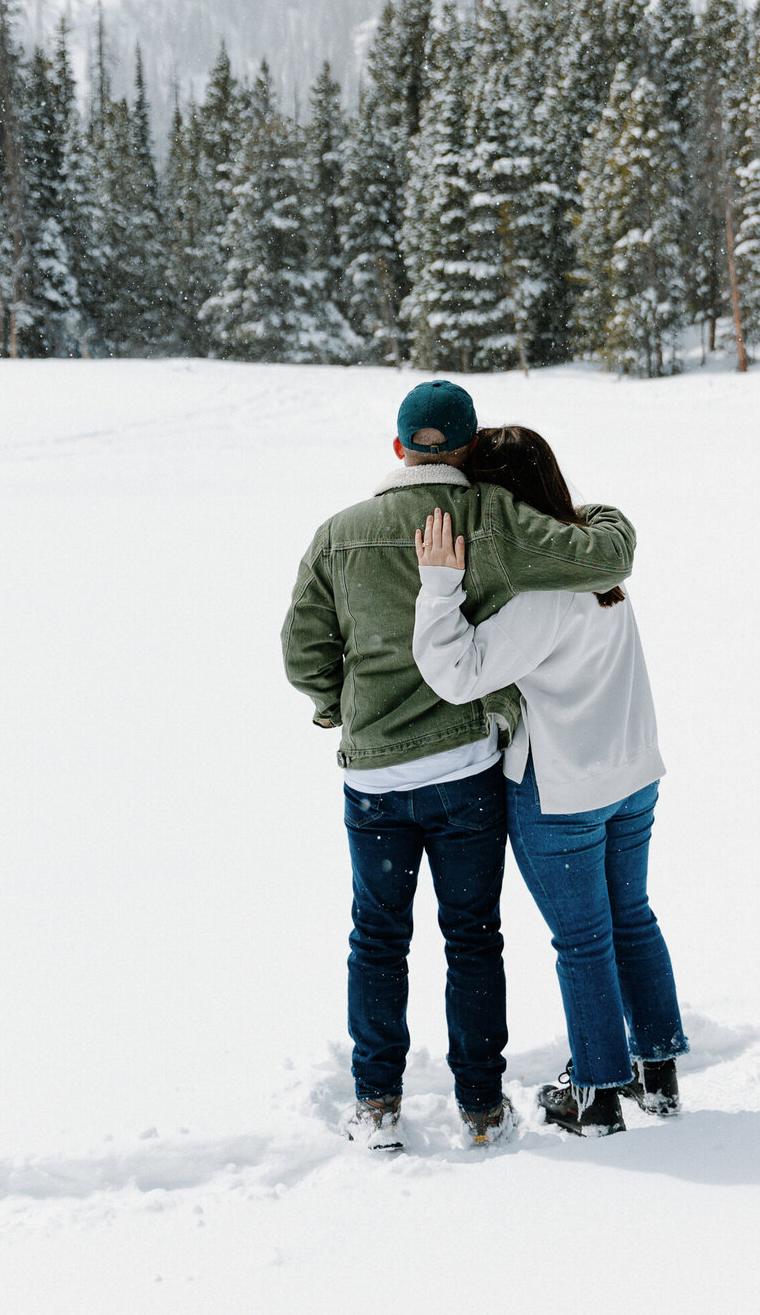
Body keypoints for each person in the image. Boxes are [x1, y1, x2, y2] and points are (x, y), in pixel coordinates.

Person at [281, 382, 636, 1150]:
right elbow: (607, 556)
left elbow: (303, 650)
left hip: (373, 780)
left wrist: (337, 709)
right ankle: (481, 1105)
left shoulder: (340, 534)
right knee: (473, 935)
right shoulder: (495, 519)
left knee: (376, 938)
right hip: (466, 770)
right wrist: (603, 515)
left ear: (400, 448)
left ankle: (377, 1107)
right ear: (471, 449)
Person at [412, 425, 686, 1136]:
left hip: (563, 792)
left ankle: (594, 1096)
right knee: (634, 919)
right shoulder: (603, 574)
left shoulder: (540, 595)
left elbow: (458, 673)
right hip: (633, 777)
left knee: (585, 942)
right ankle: (658, 1072)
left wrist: (440, 588)